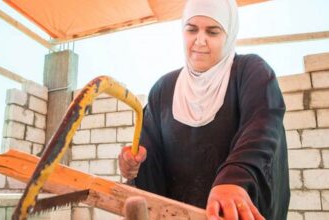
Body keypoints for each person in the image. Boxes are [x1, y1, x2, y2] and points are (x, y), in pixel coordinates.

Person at [118, 0, 290, 219]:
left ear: (229, 34)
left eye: (213, 31)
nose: (200, 40)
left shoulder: (251, 72)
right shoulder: (164, 89)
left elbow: (262, 130)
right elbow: (148, 151)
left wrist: (234, 180)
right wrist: (133, 165)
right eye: (191, 30)